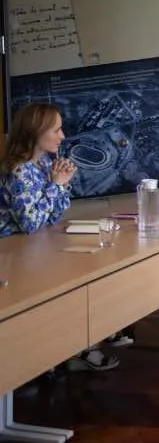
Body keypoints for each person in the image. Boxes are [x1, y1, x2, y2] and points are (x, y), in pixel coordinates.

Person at [0, 103, 123, 370]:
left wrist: (63, 183)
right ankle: (77, 348)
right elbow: (31, 223)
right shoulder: (18, 170)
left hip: (34, 249)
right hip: (13, 258)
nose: (63, 136)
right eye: (56, 130)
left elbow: (53, 215)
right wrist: (55, 184)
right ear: (36, 131)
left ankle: (86, 341)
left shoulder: (43, 164)